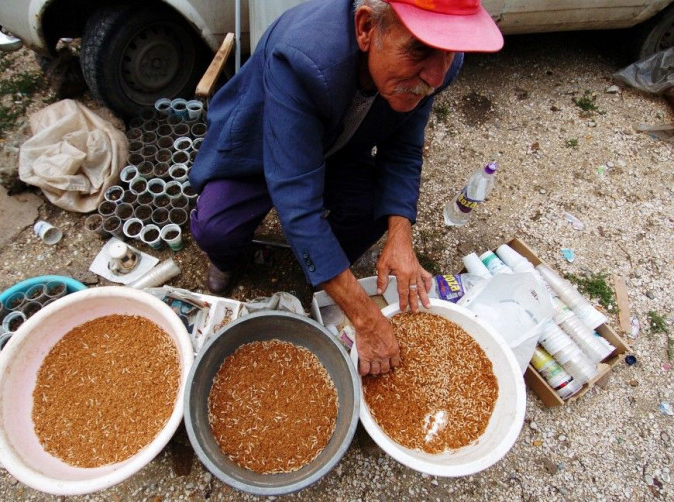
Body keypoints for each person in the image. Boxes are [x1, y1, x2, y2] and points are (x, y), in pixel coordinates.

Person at [189, 0, 503, 376]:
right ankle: (235, 261)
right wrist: (366, 319)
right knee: (216, 229)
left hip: (340, 141)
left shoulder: (438, 69)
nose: (435, 76)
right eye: (419, 50)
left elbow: (402, 147)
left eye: (447, 53)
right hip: (264, 138)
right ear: (367, 28)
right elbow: (295, 199)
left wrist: (401, 235)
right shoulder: (304, 58)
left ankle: (324, 274)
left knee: (374, 211)